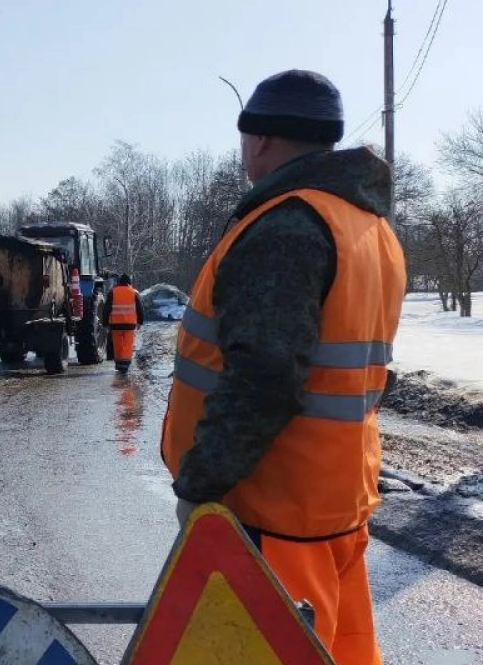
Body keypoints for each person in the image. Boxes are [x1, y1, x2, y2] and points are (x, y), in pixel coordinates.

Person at [161, 70, 405, 665]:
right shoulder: (368, 228)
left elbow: (265, 377)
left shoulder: (287, 227)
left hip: (271, 510)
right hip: (333, 505)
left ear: (261, 140)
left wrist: (201, 483)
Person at [101, 273, 143, 373]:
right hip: (130, 324)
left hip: (116, 324)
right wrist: (140, 322)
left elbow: (107, 309)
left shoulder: (113, 292)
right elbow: (140, 309)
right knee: (128, 344)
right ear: (129, 283)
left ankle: (119, 364)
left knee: (118, 344)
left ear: (119, 282)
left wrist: (105, 323)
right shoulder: (134, 292)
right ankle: (126, 364)